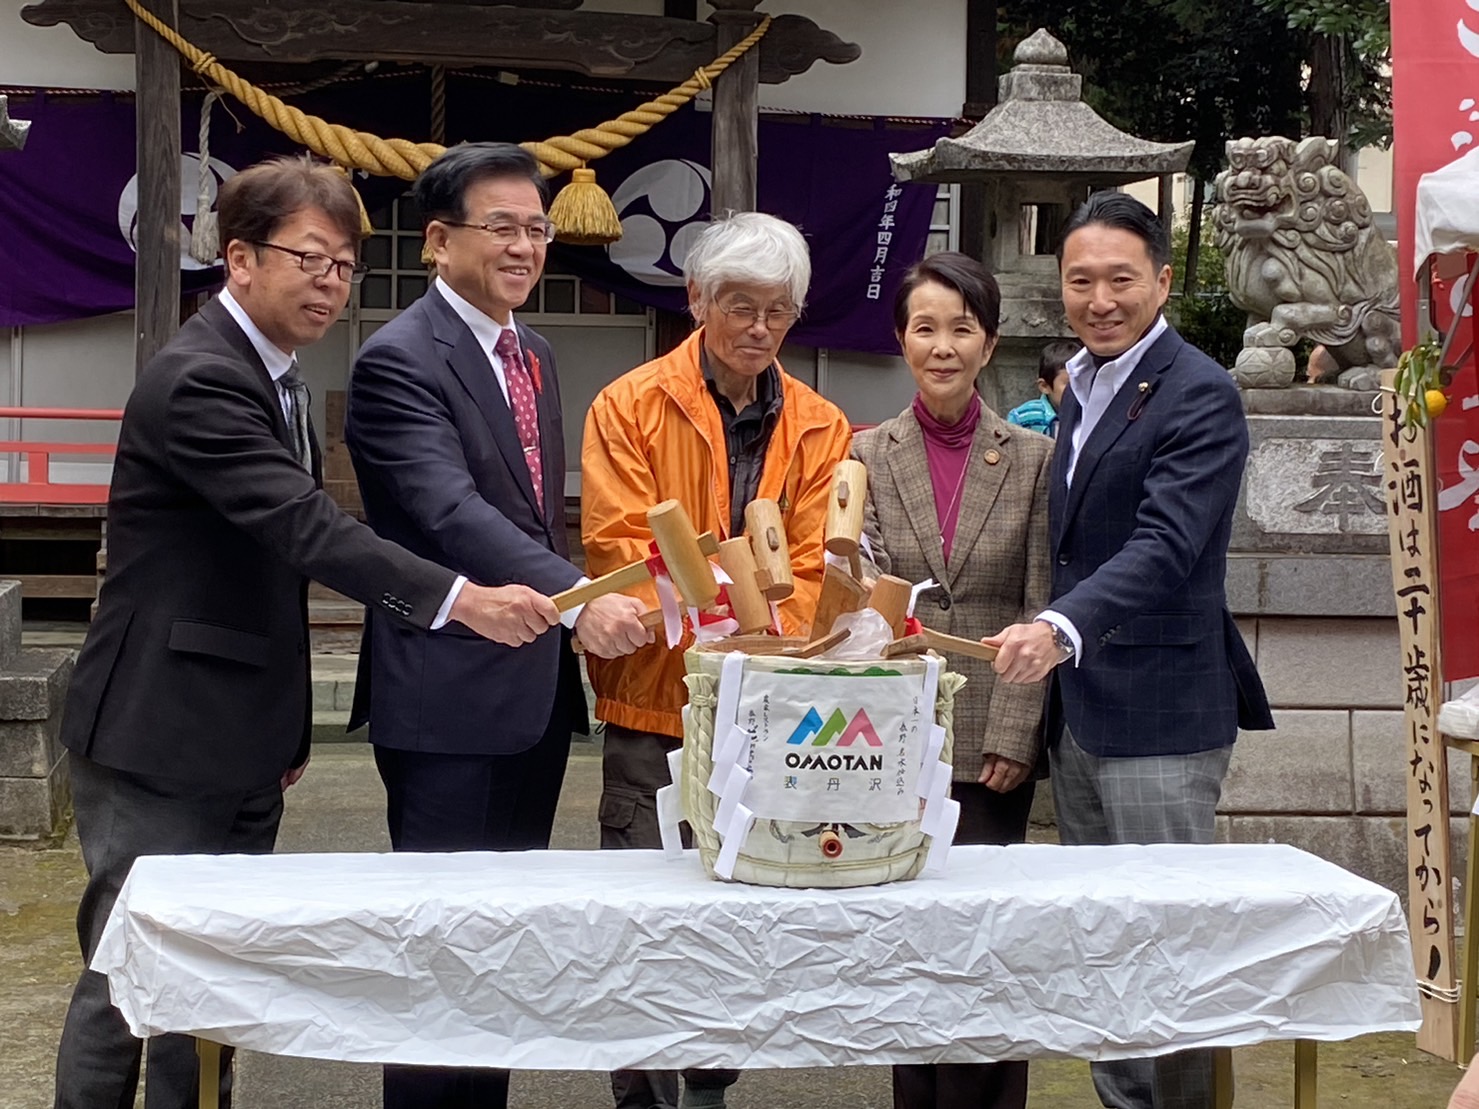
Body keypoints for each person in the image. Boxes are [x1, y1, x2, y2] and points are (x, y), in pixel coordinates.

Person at [53, 156, 558, 1109]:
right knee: (130, 974)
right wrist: (464, 597)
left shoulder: (273, 373)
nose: (329, 284)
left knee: (212, 977)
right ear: (238, 259)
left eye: (344, 267)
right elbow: (307, 528)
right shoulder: (201, 376)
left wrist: (285, 727)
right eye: (308, 259)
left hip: (238, 725)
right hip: (161, 728)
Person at [343, 142, 651, 1109]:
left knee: (502, 943)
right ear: (438, 240)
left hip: (527, 694)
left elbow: (525, 511)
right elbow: (448, 511)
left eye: (537, 227)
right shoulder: (396, 359)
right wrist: (578, 597)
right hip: (444, 691)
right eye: (502, 226)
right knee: (441, 950)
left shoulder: (535, 351)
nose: (524, 246)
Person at [987, 191, 1273, 1109]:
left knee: (1167, 940)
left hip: (1158, 706)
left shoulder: (1199, 389)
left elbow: (1165, 542)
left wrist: (1060, 626)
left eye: (1120, 278)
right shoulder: (1080, 384)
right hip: (1083, 711)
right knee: (1103, 934)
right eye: (1080, 280)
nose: (1099, 298)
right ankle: (1123, 1101)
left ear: (1160, 280)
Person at [580, 211, 852, 1109]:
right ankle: (642, 1096)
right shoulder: (628, 405)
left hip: (766, 711)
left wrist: (748, 618)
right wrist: (736, 607)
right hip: (654, 702)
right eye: (739, 306)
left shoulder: (819, 424)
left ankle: (710, 1088)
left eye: (777, 311)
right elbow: (622, 547)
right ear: (695, 299)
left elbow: (813, 568)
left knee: (741, 919)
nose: (758, 329)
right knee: (642, 922)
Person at [852, 251, 1052, 1109]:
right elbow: (854, 591)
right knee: (909, 940)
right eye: (924, 327)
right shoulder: (864, 452)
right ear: (901, 339)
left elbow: (1041, 599)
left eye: (960, 328)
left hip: (990, 740)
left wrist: (1014, 730)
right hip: (894, 739)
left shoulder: (1036, 457)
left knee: (990, 942)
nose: (942, 346)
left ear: (989, 341)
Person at [1006, 337, 1076, 437]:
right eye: (1069, 384)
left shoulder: (1091, 416)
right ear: (1045, 386)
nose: (1078, 390)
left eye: (1083, 383)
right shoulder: (1023, 418)